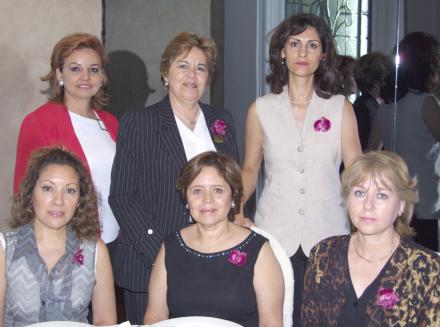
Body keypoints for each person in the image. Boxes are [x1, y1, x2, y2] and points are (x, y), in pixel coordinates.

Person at [109, 32, 239, 324]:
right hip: (150, 262)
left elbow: (234, 188)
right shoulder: (139, 123)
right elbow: (122, 196)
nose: (192, 75)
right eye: (183, 65)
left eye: (201, 68)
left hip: (213, 261)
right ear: (165, 73)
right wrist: (164, 255)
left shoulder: (222, 122)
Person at [241, 13, 361, 324]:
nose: (303, 53)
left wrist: (367, 222)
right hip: (275, 233)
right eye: (294, 44)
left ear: (323, 54)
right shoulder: (261, 109)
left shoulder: (340, 108)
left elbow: (356, 172)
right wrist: (234, 208)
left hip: (329, 232)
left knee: (327, 316)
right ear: (281, 51)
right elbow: (250, 171)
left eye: (312, 45)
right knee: (278, 317)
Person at [144, 151, 283, 326]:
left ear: (233, 196)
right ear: (186, 198)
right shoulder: (171, 246)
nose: (207, 200)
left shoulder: (258, 250)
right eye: (197, 191)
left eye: (217, 190)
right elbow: (155, 317)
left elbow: (271, 323)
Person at [302, 151, 440, 326]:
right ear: (347, 199)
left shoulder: (427, 269)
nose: (368, 205)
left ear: (401, 206)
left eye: (381, 195)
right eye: (359, 193)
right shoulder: (323, 255)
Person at [13, 33, 120, 251]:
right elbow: (23, 193)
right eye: (75, 69)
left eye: (93, 69)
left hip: (115, 242)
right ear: (59, 74)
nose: (85, 77)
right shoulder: (38, 122)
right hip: (66, 245)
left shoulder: (111, 123)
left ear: (102, 77)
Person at [0, 147, 116, 325]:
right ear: (31, 193)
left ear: (79, 201)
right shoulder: (4, 248)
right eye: (48, 188)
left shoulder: (96, 251)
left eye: (69, 191)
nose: (58, 201)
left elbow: (105, 322)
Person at [368, 32, 440, 251]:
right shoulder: (426, 103)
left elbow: (370, 151)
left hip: (396, 199)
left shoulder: (386, 106)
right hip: (423, 202)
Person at [353, 52, 392, 150]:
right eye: (388, 77)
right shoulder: (364, 108)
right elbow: (365, 148)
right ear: (376, 82)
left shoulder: (375, 105)